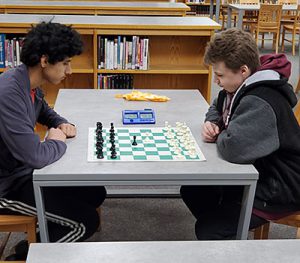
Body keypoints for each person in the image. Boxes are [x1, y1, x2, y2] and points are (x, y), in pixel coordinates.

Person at [180, 28, 300, 240]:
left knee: (210, 229)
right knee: (193, 189)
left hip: (279, 188)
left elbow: (233, 148)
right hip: (259, 171)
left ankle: (230, 237)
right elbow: (217, 105)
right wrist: (212, 122)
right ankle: (234, 234)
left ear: (243, 71)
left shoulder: (261, 100)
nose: (216, 82)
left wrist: (221, 133)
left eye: (219, 75)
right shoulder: (236, 88)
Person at [0, 21, 106, 258]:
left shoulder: (28, 80)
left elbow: (43, 110)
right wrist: (56, 141)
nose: (70, 71)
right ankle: (28, 256)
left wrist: (59, 122)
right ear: (45, 61)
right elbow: (36, 156)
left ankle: (39, 238)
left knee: (94, 191)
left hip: (23, 173)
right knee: (84, 221)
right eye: (66, 63)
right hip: (6, 188)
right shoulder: (8, 93)